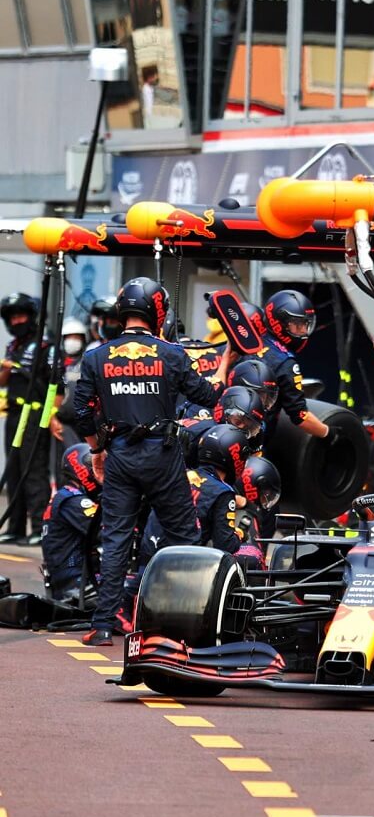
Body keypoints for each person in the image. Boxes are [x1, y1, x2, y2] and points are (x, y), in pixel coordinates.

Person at [74, 276, 232, 646]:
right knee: (186, 539)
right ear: (157, 310)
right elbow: (208, 397)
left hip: (120, 456)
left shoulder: (96, 356)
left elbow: (81, 412)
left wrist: (97, 451)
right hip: (162, 455)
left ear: (121, 311)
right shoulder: (172, 353)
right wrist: (223, 368)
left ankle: (101, 626)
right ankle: (195, 625)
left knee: (115, 540)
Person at [0, 293, 64, 546]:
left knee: (34, 472)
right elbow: (3, 381)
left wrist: (50, 415)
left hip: (36, 414)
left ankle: (39, 527)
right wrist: (6, 369)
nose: (17, 321)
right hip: (14, 415)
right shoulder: (12, 348)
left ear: (32, 317)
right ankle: (15, 527)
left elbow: (56, 385)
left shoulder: (45, 346)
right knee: (13, 471)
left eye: (21, 316)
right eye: (12, 317)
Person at [139, 423, 252, 563]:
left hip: (147, 558)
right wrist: (240, 533)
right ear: (235, 456)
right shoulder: (223, 493)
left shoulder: (178, 474)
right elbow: (225, 545)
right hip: (180, 566)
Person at [249, 289, 333, 443]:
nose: (303, 331)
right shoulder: (284, 363)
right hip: (253, 441)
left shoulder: (247, 344)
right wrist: (329, 433)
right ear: (279, 323)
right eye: (297, 325)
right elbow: (300, 416)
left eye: (305, 324)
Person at [41, 443, 101, 603]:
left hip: (75, 577)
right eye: (93, 465)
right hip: (75, 581)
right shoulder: (73, 500)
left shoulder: (67, 495)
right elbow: (104, 531)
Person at [56, 318, 88, 449]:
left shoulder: (88, 361)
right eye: (69, 338)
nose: (72, 341)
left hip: (85, 420)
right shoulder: (57, 363)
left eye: (76, 337)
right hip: (62, 421)